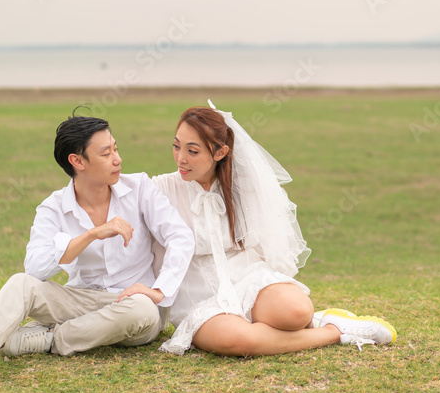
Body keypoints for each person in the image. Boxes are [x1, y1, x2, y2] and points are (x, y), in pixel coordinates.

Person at [0, 114, 195, 390]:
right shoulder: (53, 207)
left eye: (116, 148)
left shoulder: (140, 188)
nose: (117, 158)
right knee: (21, 283)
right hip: (80, 299)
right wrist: (90, 235)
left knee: (143, 310)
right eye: (106, 153)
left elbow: (180, 236)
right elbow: (35, 269)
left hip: (133, 305)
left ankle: (48, 339)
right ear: (77, 161)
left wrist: (158, 291)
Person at [151, 101, 396, 357]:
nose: (181, 158)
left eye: (193, 151)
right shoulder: (160, 189)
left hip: (245, 275)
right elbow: (118, 194)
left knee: (297, 312)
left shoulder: (241, 188)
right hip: (196, 295)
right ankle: (334, 331)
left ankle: (310, 321)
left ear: (220, 152)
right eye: (176, 146)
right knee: (239, 341)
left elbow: (266, 239)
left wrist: (272, 292)